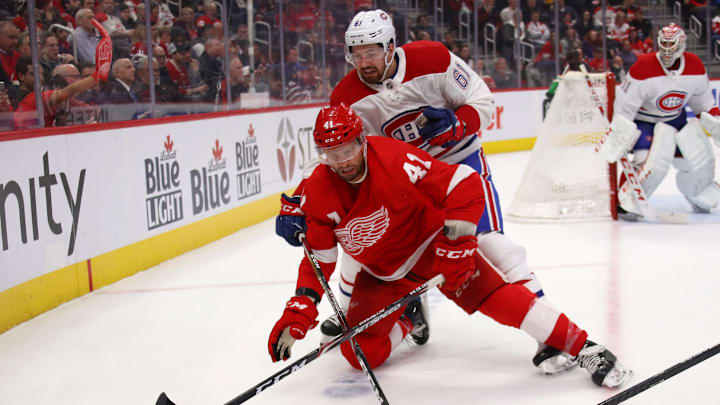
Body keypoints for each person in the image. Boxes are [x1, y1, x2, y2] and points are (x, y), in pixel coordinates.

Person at [274, 8, 575, 375]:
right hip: (403, 181)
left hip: (459, 165)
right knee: (358, 245)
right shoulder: (346, 96)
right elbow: (334, 152)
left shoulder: (433, 59)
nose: (363, 61)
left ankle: (548, 334)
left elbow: (481, 101)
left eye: (371, 52)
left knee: (493, 246)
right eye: (356, 53)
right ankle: (370, 317)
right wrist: (301, 199)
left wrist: (455, 125)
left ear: (390, 46)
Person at [267, 103, 633, 390]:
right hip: (382, 275)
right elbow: (319, 260)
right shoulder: (317, 191)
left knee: (499, 299)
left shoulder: (394, 159)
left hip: (431, 249)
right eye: (330, 154)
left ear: (361, 140)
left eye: (347, 148)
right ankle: (409, 322)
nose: (341, 161)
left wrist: (457, 242)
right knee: (357, 352)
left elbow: (463, 182)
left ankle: (585, 348)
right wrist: (299, 311)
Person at [597, 24, 720, 217]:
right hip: (645, 122)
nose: (667, 48)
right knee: (649, 162)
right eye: (664, 42)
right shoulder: (643, 67)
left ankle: (699, 193)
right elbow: (625, 106)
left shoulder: (694, 65)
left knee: (698, 159)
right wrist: (621, 132)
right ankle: (628, 198)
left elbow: (702, 101)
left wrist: (714, 120)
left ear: (681, 44)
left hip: (676, 120)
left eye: (672, 43)